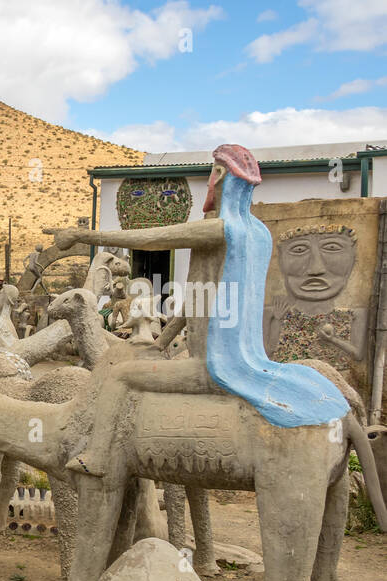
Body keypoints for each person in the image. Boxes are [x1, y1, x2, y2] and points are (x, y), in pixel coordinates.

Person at [50, 143, 349, 477]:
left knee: (119, 376)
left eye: (212, 172)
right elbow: (198, 296)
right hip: (254, 361)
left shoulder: (219, 229)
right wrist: (161, 343)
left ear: (219, 175)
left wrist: (80, 235)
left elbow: (150, 239)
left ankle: (99, 455)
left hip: (213, 368)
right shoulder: (260, 234)